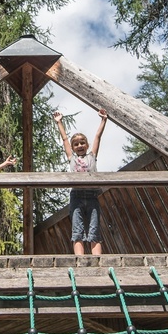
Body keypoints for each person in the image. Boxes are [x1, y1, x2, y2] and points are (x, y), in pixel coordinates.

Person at [53, 108, 108, 255]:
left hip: (92, 196)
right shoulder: (72, 158)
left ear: (87, 145)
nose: (80, 146)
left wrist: (103, 120)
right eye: (76, 144)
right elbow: (65, 139)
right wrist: (59, 122)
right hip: (76, 196)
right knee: (77, 229)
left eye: (82, 143)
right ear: (73, 148)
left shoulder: (92, 156)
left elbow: (98, 137)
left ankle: (97, 259)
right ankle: (80, 259)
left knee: (94, 227)